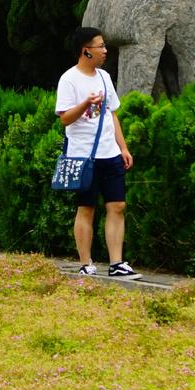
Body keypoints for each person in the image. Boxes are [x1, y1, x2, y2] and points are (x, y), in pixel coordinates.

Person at [56, 27, 140, 279]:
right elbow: (64, 119)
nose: (105, 51)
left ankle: (117, 263)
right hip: (84, 157)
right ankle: (86, 263)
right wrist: (85, 104)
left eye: (104, 46)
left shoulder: (104, 77)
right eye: (100, 46)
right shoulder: (69, 79)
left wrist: (123, 147)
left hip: (109, 152)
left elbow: (111, 114)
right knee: (87, 207)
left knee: (117, 205)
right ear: (86, 51)